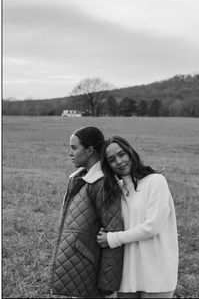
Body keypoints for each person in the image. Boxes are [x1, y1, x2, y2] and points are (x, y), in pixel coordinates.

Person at [97, 136, 178, 299]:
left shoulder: (155, 181)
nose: (119, 162)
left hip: (157, 274)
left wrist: (113, 238)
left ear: (130, 152)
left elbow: (152, 227)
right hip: (127, 276)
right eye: (112, 160)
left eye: (121, 154)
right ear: (108, 166)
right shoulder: (115, 191)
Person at [50, 127, 124, 298]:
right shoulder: (80, 178)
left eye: (74, 148)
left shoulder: (102, 183)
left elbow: (113, 233)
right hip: (80, 269)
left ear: (90, 150)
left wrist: (107, 285)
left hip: (91, 272)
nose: (70, 153)